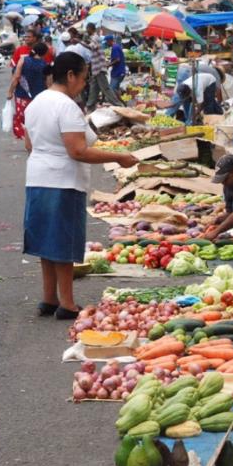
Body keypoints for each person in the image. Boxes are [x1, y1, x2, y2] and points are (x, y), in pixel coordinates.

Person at [23, 52, 138, 319]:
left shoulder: (36, 103)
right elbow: (77, 150)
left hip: (37, 177)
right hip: (63, 181)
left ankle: (48, 298)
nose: (85, 84)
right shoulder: (66, 106)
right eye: (84, 78)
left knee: (45, 243)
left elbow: (29, 145)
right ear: (71, 75)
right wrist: (118, 157)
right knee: (62, 243)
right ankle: (68, 304)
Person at [7, 42, 49, 140]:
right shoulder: (44, 65)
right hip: (39, 97)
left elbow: (16, 77)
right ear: (44, 53)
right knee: (37, 120)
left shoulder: (23, 60)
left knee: (23, 119)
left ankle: (27, 139)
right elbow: (48, 82)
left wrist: (10, 91)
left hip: (23, 96)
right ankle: (36, 138)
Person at [82, 23, 123, 112]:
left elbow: (90, 47)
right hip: (96, 68)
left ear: (90, 28)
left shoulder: (95, 37)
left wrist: (79, 42)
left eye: (87, 29)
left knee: (106, 88)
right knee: (94, 88)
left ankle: (119, 105)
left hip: (99, 67)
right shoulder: (94, 38)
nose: (86, 31)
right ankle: (90, 106)